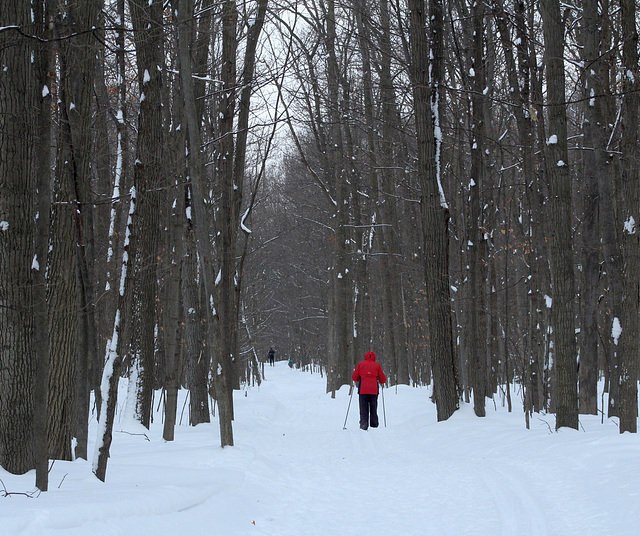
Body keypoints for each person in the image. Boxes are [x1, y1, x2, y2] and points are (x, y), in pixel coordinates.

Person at [351, 351, 387, 430]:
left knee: (363, 407)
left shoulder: (360, 364)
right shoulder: (377, 365)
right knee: (373, 407)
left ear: (365, 356)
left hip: (363, 390)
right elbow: (383, 379)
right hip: (374, 390)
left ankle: (364, 423)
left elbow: (355, 378)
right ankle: (374, 424)